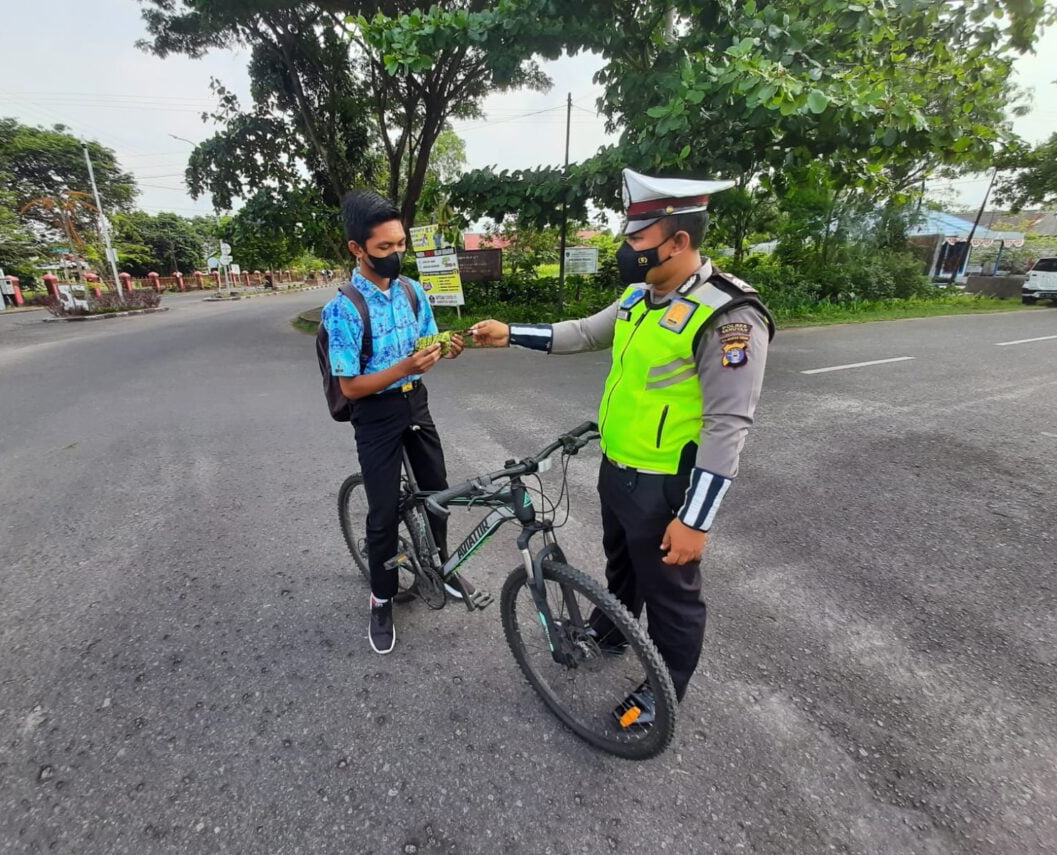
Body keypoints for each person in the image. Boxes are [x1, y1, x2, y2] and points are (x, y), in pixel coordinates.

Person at [470, 168, 774, 724]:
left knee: (671, 599)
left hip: (668, 488)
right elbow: (584, 332)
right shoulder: (639, 296)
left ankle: (664, 693)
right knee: (623, 571)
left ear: (678, 240)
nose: (626, 249)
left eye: (638, 238)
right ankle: (612, 630)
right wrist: (511, 333)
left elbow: (729, 424)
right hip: (619, 469)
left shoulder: (729, 315)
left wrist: (696, 521)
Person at [322, 190, 468, 654]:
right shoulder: (342, 309)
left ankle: (440, 568)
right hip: (375, 416)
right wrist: (403, 369)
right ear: (357, 249)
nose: (396, 255)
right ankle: (382, 597)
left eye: (400, 245)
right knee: (383, 513)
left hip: (415, 405)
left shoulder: (411, 291)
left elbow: (426, 343)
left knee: (437, 495)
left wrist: (444, 348)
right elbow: (350, 387)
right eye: (384, 248)